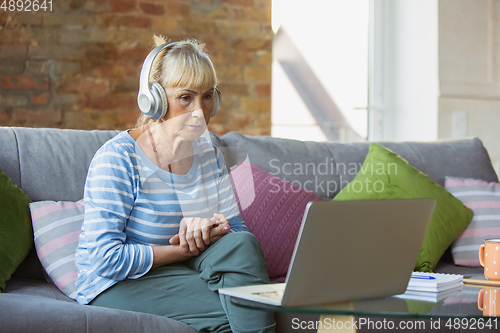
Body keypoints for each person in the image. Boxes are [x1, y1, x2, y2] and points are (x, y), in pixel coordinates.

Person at [74, 35, 276, 333]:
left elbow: (239, 235)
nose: (200, 110)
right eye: (186, 97)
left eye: (207, 96)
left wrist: (216, 228)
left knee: (242, 245)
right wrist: (185, 249)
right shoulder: (117, 159)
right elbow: (105, 259)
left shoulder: (210, 156)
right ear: (153, 100)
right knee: (238, 310)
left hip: (182, 269)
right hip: (116, 282)